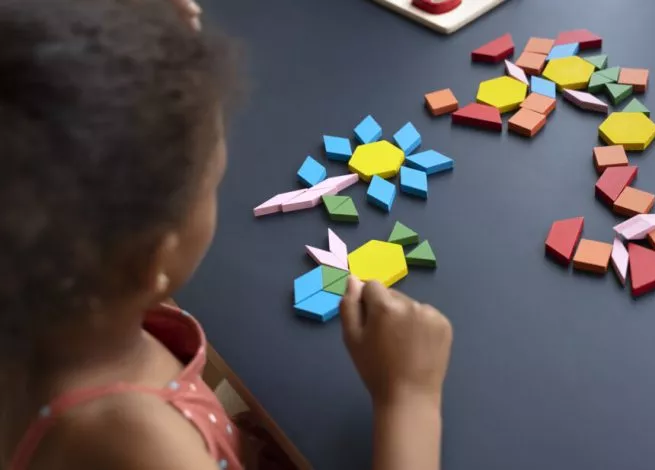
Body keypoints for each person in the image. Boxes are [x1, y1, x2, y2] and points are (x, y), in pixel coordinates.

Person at [0, 0, 453, 469]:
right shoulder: (142, 446)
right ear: (153, 259)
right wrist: (409, 402)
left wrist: (139, 47)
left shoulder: (44, 296)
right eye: (211, 185)